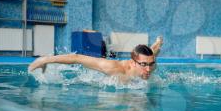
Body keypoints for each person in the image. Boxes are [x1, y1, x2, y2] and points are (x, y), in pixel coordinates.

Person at [29, 36, 163, 82]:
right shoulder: (115, 68)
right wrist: (45, 60)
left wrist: (158, 43)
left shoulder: (151, 64)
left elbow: (153, 52)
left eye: (151, 64)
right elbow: (77, 58)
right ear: (133, 63)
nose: (148, 69)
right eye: (144, 64)